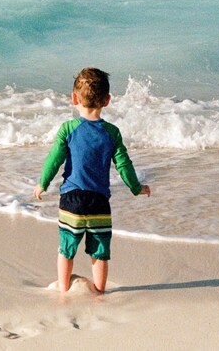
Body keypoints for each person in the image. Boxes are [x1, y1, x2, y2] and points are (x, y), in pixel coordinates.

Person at [32, 67, 151, 294]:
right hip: (99, 203)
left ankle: (64, 289)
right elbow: (124, 165)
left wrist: (42, 184)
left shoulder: (68, 129)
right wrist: (136, 187)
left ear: (74, 98)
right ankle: (99, 291)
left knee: (66, 249)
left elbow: (54, 160)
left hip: (72, 201)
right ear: (107, 100)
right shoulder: (112, 133)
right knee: (100, 252)